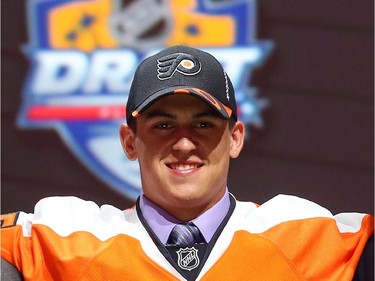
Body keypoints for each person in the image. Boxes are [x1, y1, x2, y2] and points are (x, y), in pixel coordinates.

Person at [1, 45, 373, 281]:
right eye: (163, 124)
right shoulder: (67, 235)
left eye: (203, 124)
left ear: (235, 138)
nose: (183, 143)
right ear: (130, 142)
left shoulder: (304, 232)